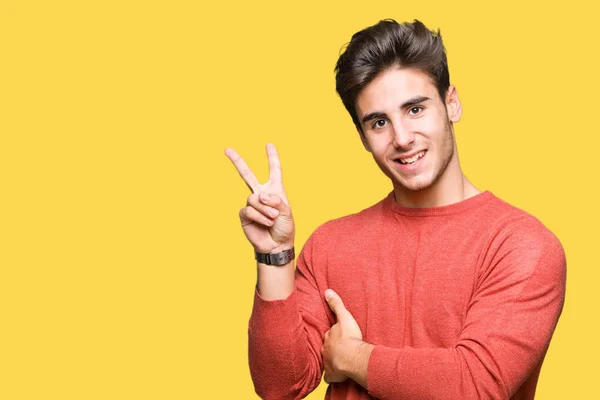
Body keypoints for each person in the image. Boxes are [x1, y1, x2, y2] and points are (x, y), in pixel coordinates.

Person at [225, 19, 566, 400]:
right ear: (362, 137)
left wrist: (354, 358)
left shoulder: (523, 246)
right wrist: (274, 256)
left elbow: (474, 386)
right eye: (380, 122)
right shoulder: (330, 244)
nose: (402, 138)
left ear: (451, 103)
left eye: (415, 109)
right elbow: (279, 385)